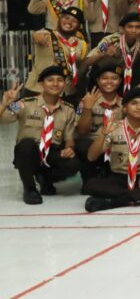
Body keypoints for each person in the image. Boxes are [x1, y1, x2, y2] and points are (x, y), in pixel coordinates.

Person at [1, 67, 83, 205]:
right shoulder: (24, 104)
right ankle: (29, 188)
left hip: (52, 152)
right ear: (41, 84)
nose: (55, 84)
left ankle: (45, 179)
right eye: (50, 80)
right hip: (29, 152)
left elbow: (69, 138)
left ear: (64, 84)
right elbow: (2, 119)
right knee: (26, 145)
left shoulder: (68, 110)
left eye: (60, 80)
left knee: (73, 164)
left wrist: (69, 148)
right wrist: (4, 104)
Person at [83, 87, 140, 212]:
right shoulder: (113, 128)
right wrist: (103, 134)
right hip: (119, 177)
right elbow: (91, 157)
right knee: (90, 185)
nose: (139, 107)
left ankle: (113, 202)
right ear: (124, 108)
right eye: (134, 103)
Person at [26, 6, 89, 102]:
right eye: (66, 18)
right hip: (38, 89)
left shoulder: (81, 44)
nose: (69, 22)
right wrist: (37, 37)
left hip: (66, 92)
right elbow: (36, 36)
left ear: (79, 26)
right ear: (60, 19)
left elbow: (81, 68)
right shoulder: (47, 34)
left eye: (74, 21)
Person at [83, 12, 140, 92]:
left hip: (129, 75)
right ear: (122, 29)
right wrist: (104, 54)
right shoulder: (110, 41)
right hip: (106, 74)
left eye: (138, 27)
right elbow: (87, 62)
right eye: (130, 27)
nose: (134, 30)